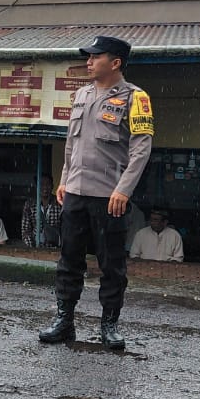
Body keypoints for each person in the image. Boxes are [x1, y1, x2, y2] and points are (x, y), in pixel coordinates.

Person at [39, 35, 154, 350]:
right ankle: (64, 321)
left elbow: (141, 149)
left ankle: (109, 325)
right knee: (68, 260)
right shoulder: (81, 94)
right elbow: (71, 144)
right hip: (75, 192)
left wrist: (124, 190)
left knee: (111, 264)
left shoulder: (136, 98)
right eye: (88, 57)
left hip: (109, 196)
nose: (88, 62)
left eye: (95, 57)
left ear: (115, 63)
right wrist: (64, 179)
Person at [21, 172, 62, 248]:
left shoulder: (60, 203)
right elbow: (26, 231)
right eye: (42, 184)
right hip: (36, 248)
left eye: (48, 184)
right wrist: (32, 249)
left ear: (52, 186)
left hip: (56, 249)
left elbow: (66, 228)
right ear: (37, 186)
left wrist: (61, 245)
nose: (45, 187)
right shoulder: (29, 204)